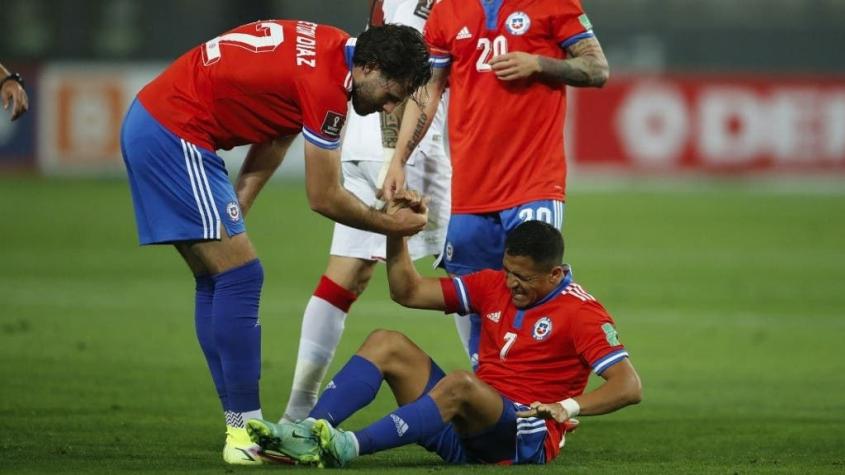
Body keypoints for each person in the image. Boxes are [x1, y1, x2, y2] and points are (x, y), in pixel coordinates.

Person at [120, 20, 431, 465]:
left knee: (218, 279)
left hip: (161, 124)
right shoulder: (328, 88)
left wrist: (237, 202)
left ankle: (238, 427)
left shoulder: (330, 46)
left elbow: (278, 126)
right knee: (242, 277)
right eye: (392, 93)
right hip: (176, 132)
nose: (390, 107)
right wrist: (390, 225)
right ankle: (243, 433)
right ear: (371, 67)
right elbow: (323, 197)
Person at [248, 217, 642, 467]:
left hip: (520, 434)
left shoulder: (582, 313)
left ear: (555, 274)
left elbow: (629, 386)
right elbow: (408, 292)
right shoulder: (493, 285)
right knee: (387, 342)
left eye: (524, 277)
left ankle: (346, 447)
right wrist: (395, 233)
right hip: (465, 425)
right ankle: (308, 433)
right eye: (508, 271)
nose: (511, 283)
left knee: (459, 384)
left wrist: (565, 406)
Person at [380, 0, 610, 366]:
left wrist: (539, 63)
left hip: (534, 180)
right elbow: (427, 91)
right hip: (472, 189)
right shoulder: (447, 10)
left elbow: (597, 68)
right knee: (476, 300)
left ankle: (558, 387)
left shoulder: (553, 4)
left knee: (539, 286)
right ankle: (491, 391)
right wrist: (398, 159)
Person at [282, 0, 451, 424]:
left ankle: (295, 414)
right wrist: (397, 156)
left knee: (344, 279)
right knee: (467, 266)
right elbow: (411, 75)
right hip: (397, 149)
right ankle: (502, 399)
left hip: (362, 142)